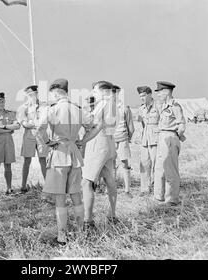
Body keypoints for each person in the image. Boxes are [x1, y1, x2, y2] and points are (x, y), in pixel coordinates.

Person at [35, 79, 91, 245]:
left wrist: (46, 142)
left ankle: (62, 236)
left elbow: (39, 128)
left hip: (59, 153)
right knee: (76, 195)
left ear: (55, 92)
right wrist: (82, 141)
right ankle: (81, 234)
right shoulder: (78, 109)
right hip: (74, 153)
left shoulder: (52, 109)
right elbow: (94, 125)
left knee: (60, 198)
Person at [77, 81, 118, 230]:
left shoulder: (103, 104)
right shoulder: (113, 104)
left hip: (97, 144)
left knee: (86, 182)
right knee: (109, 181)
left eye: (95, 90)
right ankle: (112, 215)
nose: (93, 94)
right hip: (109, 144)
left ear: (102, 91)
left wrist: (83, 140)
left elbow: (97, 126)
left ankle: (88, 220)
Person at [153, 81, 186, 206]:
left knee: (170, 170)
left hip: (170, 137)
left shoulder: (175, 106)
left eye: (160, 92)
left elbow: (181, 125)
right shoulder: (163, 106)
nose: (158, 95)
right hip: (162, 137)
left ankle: (172, 200)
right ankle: (159, 196)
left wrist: (175, 135)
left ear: (166, 92)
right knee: (159, 168)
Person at [17, 85, 49, 193]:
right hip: (29, 136)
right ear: (27, 95)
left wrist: (33, 123)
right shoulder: (23, 107)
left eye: (34, 94)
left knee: (43, 160)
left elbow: (45, 121)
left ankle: (48, 185)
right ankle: (23, 185)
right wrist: (35, 123)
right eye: (30, 95)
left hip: (41, 136)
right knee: (27, 160)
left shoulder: (44, 106)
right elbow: (24, 123)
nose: (32, 96)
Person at [0, 92, 20, 196]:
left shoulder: (10, 113)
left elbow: (17, 126)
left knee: (8, 165)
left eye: (3, 101)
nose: (2, 104)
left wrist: (4, 127)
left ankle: (9, 188)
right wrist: (7, 130)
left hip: (8, 141)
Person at [137, 86, 160, 196]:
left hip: (156, 140)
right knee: (144, 164)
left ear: (150, 94)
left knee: (157, 164)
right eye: (140, 96)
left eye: (144, 95)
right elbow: (142, 124)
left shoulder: (158, 106)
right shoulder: (141, 109)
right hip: (145, 140)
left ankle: (157, 187)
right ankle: (145, 189)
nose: (142, 98)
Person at [112, 85, 135, 197]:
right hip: (111, 141)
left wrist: (128, 138)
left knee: (124, 164)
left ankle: (127, 190)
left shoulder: (125, 108)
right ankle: (111, 189)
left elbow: (131, 127)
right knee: (111, 165)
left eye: (114, 93)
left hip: (122, 140)